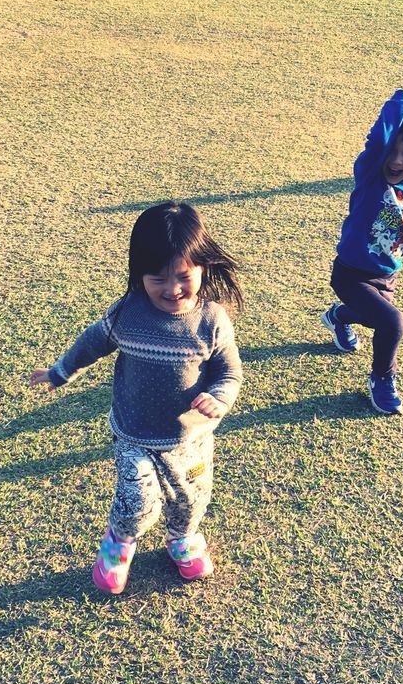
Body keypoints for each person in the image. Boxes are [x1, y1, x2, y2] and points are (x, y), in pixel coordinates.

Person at [29, 201, 243, 595]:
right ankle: (118, 544)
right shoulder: (128, 313)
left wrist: (219, 397)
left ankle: (182, 538)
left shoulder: (212, 320)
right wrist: (60, 371)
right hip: (134, 433)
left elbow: (229, 372)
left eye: (183, 276)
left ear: (202, 268)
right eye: (158, 278)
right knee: (138, 498)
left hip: (190, 438)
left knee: (190, 499)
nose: (172, 288)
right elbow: (93, 342)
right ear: (138, 274)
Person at [321, 89, 403, 416]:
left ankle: (337, 316)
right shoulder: (371, 173)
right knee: (392, 322)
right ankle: (382, 378)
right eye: (394, 150)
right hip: (350, 272)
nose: (397, 161)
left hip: (386, 275)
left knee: (374, 319)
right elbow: (379, 139)